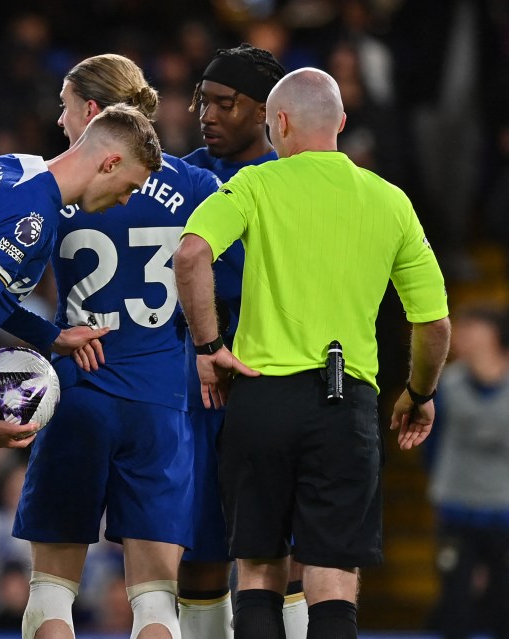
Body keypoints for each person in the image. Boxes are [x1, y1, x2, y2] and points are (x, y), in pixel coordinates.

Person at [0, 53, 220, 639]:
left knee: (43, 590)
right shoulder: (194, 187)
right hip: (159, 400)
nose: (59, 121)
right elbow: (227, 278)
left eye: (64, 108)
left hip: (74, 391)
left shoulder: (34, 185)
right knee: (158, 600)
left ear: (91, 114)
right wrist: (214, 348)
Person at [173, 67, 450, 639]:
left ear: (278, 122)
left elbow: (192, 254)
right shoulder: (389, 201)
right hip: (345, 404)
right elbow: (435, 323)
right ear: (342, 123)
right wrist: (419, 393)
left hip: (259, 397)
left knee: (257, 572)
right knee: (331, 579)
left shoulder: (254, 186)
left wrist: (209, 348)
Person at [178, 43, 306, 639]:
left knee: (285, 548)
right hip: (194, 385)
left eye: (224, 103)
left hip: (275, 377)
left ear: (265, 112)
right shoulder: (172, 174)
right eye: (202, 101)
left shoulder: (300, 180)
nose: (207, 114)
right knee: (201, 546)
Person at [426, 304, 509, 639]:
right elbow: (429, 444)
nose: (463, 336)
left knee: (504, 603)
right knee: (455, 602)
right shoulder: (445, 383)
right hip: (456, 506)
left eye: (473, 328)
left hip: (504, 510)